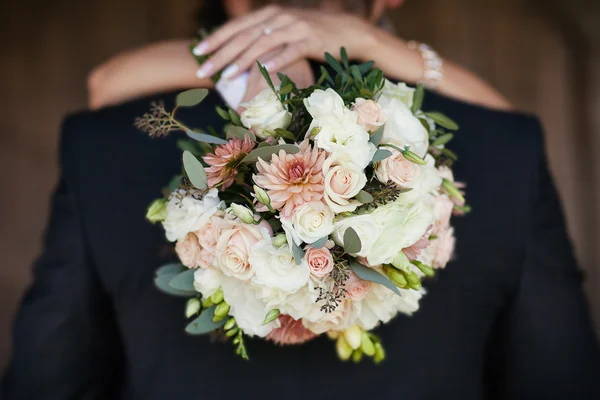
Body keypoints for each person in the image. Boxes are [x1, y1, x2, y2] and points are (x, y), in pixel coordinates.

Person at [3, 1, 600, 399]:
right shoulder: (506, 146)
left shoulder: (107, 144)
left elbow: (49, 374)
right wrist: (375, 47)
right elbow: (559, 377)